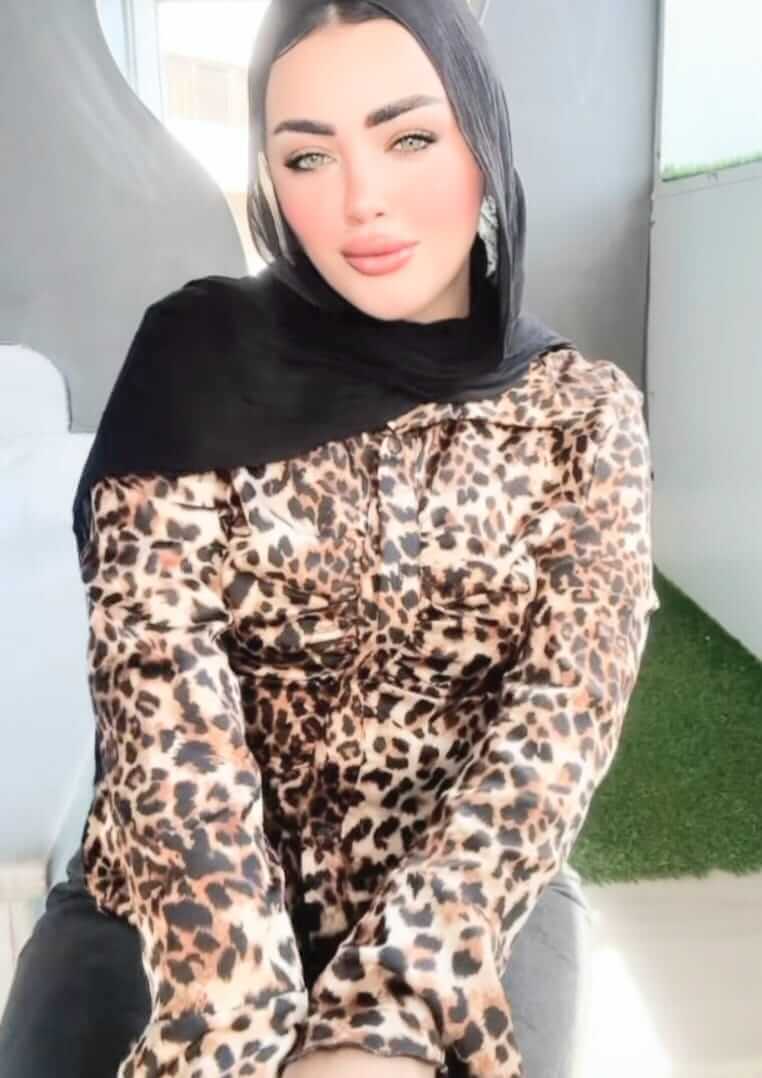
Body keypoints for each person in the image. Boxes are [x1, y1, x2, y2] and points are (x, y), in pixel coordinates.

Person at [0, 1, 660, 1076]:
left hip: (469, 892)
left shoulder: (585, 416)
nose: (362, 200)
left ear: (482, 139)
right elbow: (159, 701)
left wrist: (384, 1023)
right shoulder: (194, 357)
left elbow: (558, 730)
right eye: (308, 156)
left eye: (410, 138)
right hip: (165, 894)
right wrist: (233, 1015)